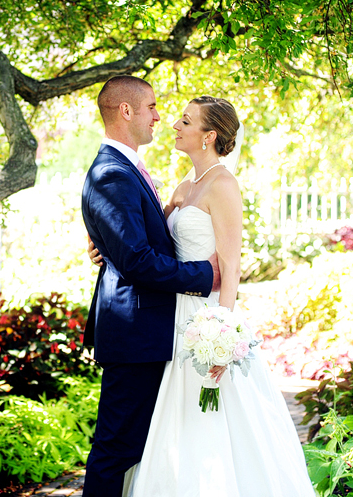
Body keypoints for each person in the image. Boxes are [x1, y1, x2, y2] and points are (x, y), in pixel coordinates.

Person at [123, 96, 316, 496]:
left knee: (209, 413)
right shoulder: (182, 187)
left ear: (209, 136)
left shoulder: (224, 185)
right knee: (174, 417)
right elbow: (147, 247)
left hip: (207, 319)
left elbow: (231, 267)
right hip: (172, 317)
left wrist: (222, 338)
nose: (175, 124)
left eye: (186, 120)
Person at [80, 76, 221, 497]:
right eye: (153, 107)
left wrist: (106, 246)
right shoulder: (112, 173)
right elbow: (137, 260)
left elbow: (132, 243)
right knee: (116, 448)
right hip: (135, 331)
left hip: (152, 329)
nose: (160, 116)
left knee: (138, 445)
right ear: (127, 111)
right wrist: (204, 275)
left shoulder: (127, 169)